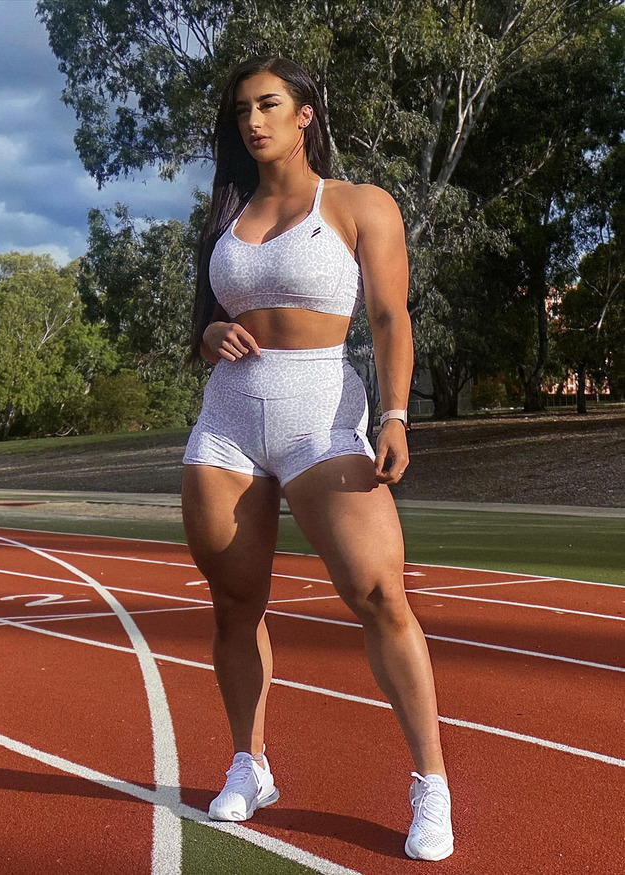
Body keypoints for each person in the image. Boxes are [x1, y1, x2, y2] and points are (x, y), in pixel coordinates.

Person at [181, 56, 454, 862]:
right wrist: (208, 333)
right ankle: (249, 762)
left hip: (321, 417)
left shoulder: (359, 204)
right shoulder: (226, 213)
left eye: (268, 105)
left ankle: (432, 781)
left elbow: (390, 318)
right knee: (235, 603)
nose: (253, 121)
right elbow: (208, 322)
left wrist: (396, 413)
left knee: (379, 592)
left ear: (305, 113)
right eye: (242, 110)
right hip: (228, 422)